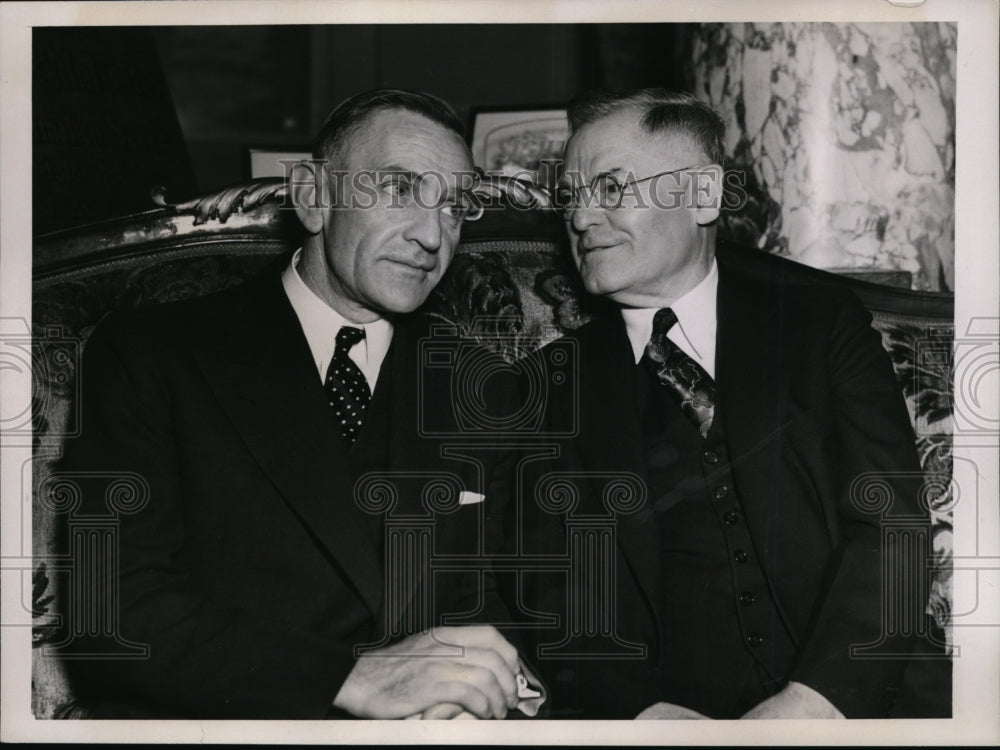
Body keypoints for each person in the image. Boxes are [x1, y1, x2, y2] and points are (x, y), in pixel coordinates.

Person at [58, 89, 529, 720]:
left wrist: (495, 691)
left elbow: (512, 601)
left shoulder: (484, 387)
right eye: (399, 188)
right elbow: (110, 610)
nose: (430, 234)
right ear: (312, 197)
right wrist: (349, 680)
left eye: (453, 207)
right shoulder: (154, 354)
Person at [514, 88, 941, 719]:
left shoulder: (818, 325)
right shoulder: (548, 385)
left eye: (610, 188)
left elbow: (892, 526)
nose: (579, 218)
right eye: (571, 197)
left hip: (867, 701)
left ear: (703, 195)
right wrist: (638, 713)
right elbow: (544, 588)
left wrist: (818, 703)